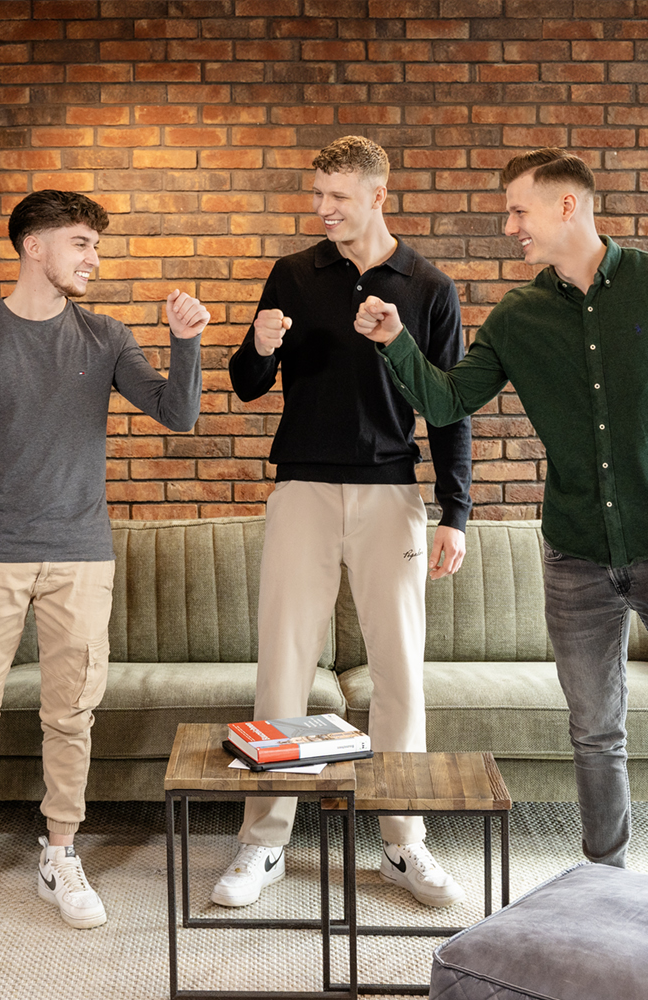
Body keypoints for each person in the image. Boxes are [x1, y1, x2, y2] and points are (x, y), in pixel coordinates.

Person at [356, 147, 648, 909]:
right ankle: (604, 886)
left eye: (518, 210)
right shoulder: (520, 317)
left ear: (567, 206)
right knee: (594, 732)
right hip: (576, 557)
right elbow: (450, 400)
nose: (508, 225)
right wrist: (396, 339)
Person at [0, 190, 209, 932]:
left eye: (95, 245)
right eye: (81, 242)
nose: (94, 258)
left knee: (71, 714)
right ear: (35, 247)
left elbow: (177, 414)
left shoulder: (107, 337)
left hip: (81, 558)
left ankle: (59, 853)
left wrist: (185, 342)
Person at [214, 136, 474, 910]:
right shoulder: (295, 274)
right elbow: (247, 385)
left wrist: (455, 512)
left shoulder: (428, 286)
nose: (321, 208)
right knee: (283, 664)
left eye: (336, 196)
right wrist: (256, 349)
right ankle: (262, 846)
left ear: (377, 193)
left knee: (398, 671)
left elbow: (448, 408)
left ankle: (404, 846)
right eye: (316, 195)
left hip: (391, 493)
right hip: (301, 488)